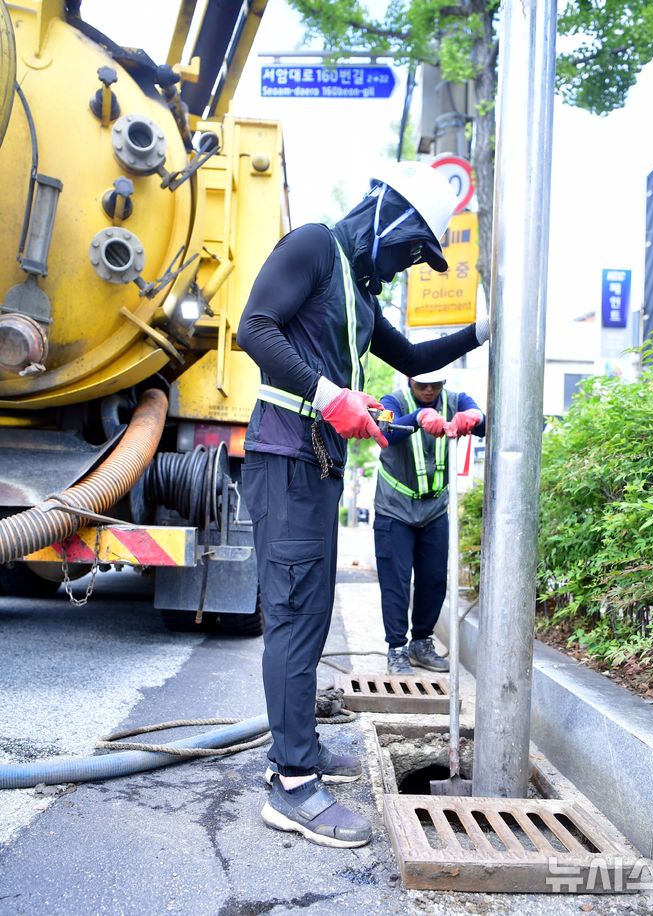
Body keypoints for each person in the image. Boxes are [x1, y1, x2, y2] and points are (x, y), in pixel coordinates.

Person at [237, 160, 490, 849]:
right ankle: (292, 786)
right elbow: (254, 328)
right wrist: (330, 395)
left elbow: (413, 357)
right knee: (294, 617)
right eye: (409, 251)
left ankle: (296, 751)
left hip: (316, 468)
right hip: (286, 460)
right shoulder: (315, 246)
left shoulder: (359, 293)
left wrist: (483, 329)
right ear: (390, 220)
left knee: (312, 613)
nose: (407, 267)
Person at [373, 368, 485, 675]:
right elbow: (384, 431)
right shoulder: (392, 401)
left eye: (435, 384)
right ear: (410, 380)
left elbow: (484, 422)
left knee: (433, 580)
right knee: (395, 582)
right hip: (394, 509)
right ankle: (397, 649)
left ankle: (421, 644)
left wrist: (474, 417)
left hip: (434, 510)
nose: (429, 390)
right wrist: (417, 418)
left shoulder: (456, 401)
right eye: (423, 384)